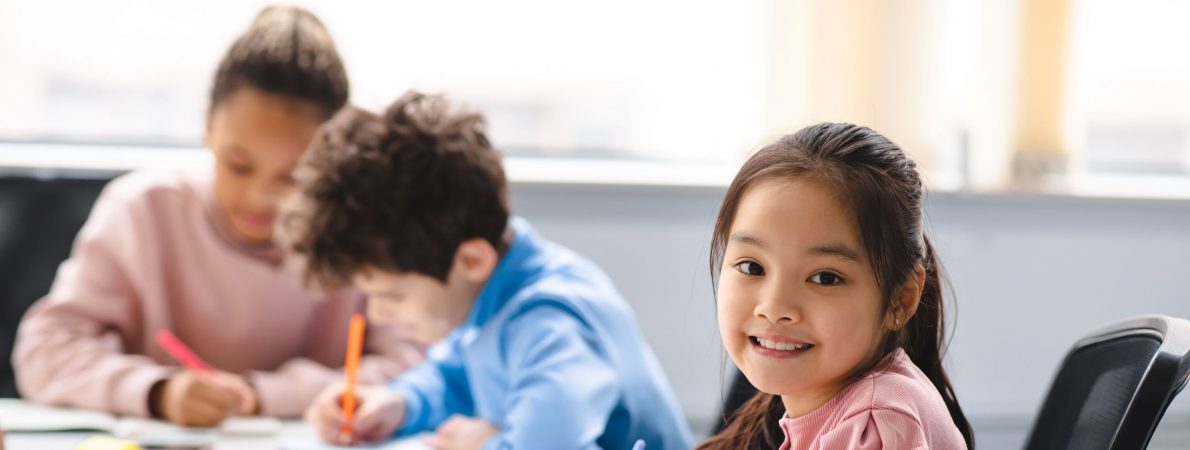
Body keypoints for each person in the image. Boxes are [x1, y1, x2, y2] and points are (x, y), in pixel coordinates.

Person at [12, 6, 421, 427]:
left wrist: (270, 395)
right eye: (238, 165)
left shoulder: (363, 233)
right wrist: (157, 391)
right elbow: (44, 351)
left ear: (332, 157)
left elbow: (419, 368)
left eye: (294, 176)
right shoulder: (143, 211)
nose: (261, 197)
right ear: (207, 128)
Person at [283, 92, 694, 449]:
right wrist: (399, 403)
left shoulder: (548, 322)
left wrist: (485, 444)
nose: (378, 314)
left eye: (392, 295)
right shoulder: (488, 293)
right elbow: (454, 377)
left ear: (471, 261)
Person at [697, 123, 973, 449]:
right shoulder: (835, 407)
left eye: (825, 278)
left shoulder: (875, 425)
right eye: (752, 267)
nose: (774, 307)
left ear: (900, 299)